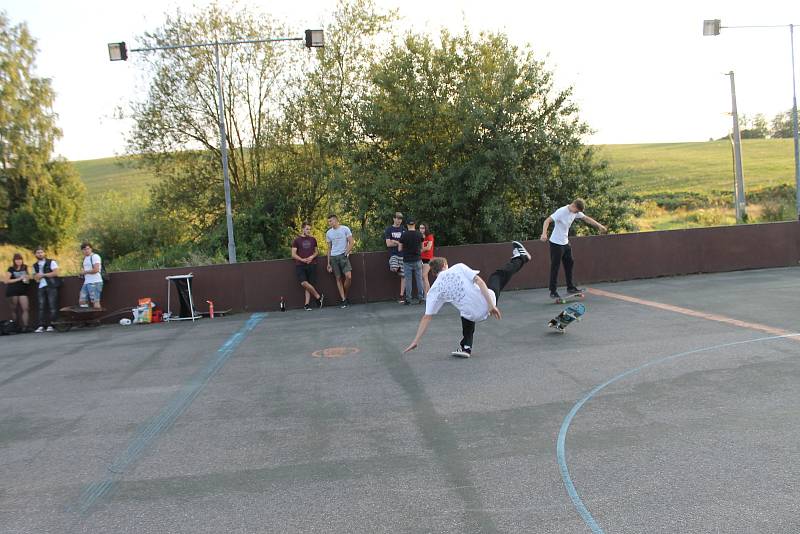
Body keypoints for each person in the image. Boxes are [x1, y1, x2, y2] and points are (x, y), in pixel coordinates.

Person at [403, 241, 532, 358]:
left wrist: (415, 341)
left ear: (434, 273)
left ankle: (466, 346)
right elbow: (480, 282)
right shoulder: (458, 267)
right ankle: (521, 257)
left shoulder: (434, 290)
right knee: (497, 276)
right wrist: (492, 305)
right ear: (445, 265)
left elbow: (427, 317)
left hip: (473, 315)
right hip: (487, 304)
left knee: (464, 309)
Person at [540, 198, 607, 300]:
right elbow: (547, 221)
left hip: (565, 243)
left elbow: (586, 219)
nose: (577, 213)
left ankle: (570, 287)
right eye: (577, 211)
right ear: (574, 206)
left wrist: (599, 225)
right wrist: (544, 233)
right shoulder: (561, 211)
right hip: (556, 243)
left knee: (569, 263)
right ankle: (553, 291)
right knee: (555, 267)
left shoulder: (575, 212)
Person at [292, 222, 324, 311]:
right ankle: (318, 296)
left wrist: (311, 257)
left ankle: (306, 305)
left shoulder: (313, 239)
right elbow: (293, 254)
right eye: (307, 229)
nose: (308, 231)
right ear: (302, 229)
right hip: (300, 265)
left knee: (308, 285)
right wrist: (302, 259)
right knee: (303, 283)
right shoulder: (296, 240)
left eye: (310, 229)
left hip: (312, 264)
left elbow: (316, 252)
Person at [325, 214, 354, 308]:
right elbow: (329, 248)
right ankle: (343, 299)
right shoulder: (328, 233)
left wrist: (346, 252)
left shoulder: (345, 229)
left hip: (343, 256)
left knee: (348, 276)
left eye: (331, 221)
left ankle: (344, 294)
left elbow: (351, 242)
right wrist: (328, 263)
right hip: (333, 257)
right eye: (328, 221)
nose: (329, 223)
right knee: (338, 278)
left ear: (336, 220)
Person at [31, 247, 61, 333]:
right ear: (35, 254)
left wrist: (43, 275)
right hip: (40, 286)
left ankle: (52, 324)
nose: (40, 254)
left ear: (44, 253)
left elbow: (55, 272)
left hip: (51, 285)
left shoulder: (51, 262)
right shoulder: (35, 265)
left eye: (41, 252)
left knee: (52, 306)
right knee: (41, 306)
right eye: (38, 253)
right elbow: (34, 276)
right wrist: (37, 277)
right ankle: (41, 325)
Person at [398, 218, 425, 304]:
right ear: (414, 225)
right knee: (419, 279)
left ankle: (408, 299)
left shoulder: (404, 235)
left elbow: (400, 249)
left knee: (408, 280)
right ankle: (421, 298)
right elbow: (422, 247)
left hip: (407, 260)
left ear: (407, 225)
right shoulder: (419, 234)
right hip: (417, 259)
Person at [3, 253, 31, 332]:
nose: (19, 261)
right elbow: (6, 281)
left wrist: (27, 278)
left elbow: (27, 278)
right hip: (12, 291)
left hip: (23, 290)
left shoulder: (25, 267)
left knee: (25, 308)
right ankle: (15, 327)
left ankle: (25, 326)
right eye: (17, 260)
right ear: (14, 261)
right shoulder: (11, 269)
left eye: (20, 259)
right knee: (14, 309)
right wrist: (19, 279)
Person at [384, 212, 406, 303]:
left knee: (403, 276)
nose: (399, 220)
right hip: (393, 254)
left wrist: (396, 242)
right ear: (394, 219)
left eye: (400, 219)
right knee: (394, 268)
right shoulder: (389, 229)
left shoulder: (403, 229)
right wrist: (398, 243)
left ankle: (401, 295)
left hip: (403, 255)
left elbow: (405, 243)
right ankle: (398, 270)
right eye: (397, 218)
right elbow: (388, 244)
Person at [79, 242, 103, 309]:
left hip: (95, 282)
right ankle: (86, 315)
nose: (86, 251)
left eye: (88, 249)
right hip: (87, 282)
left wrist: (84, 272)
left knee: (95, 302)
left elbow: (96, 269)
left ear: (91, 249)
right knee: (82, 300)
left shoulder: (95, 256)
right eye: (84, 249)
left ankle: (98, 317)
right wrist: (82, 272)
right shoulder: (84, 258)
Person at [418, 223, 434, 296]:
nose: (421, 229)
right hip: (420, 258)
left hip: (428, 258)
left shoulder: (429, 236)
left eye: (423, 228)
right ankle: (427, 294)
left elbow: (428, 247)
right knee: (425, 277)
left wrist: (419, 250)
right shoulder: (419, 237)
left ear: (426, 228)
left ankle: (428, 294)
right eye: (420, 228)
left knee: (424, 276)